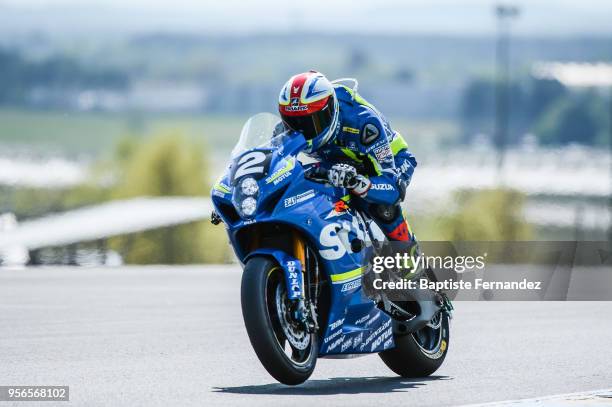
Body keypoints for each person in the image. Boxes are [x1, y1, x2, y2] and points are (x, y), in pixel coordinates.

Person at [278, 70, 417, 245]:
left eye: (311, 122)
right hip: (334, 163)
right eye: (294, 122)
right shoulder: (285, 129)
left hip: (388, 162)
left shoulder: (364, 123)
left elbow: (393, 188)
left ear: (331, 110)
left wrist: (356, 181)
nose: (302, 130)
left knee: (383, 208)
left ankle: (410, 261)